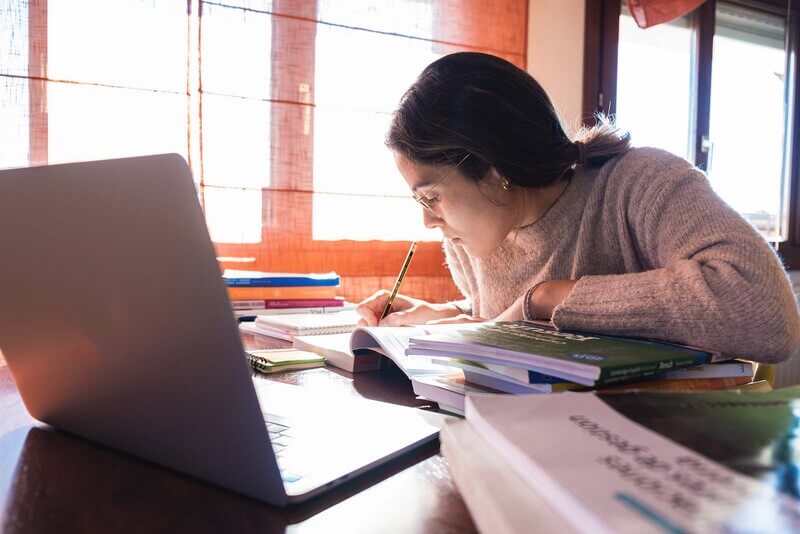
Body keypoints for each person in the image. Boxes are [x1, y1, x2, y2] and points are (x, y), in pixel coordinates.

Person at [356, 52, 800, 363]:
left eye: (430, 197)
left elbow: (767, 314)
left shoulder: (638, 183)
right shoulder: (474, 235)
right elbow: (505, 320)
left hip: (659, 450)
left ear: (493, 170)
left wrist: (549, 298)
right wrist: (447, 314)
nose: (428, 221)